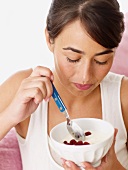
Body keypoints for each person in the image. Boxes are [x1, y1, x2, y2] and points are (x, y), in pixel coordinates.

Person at [0, 0, 127, 169]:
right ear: (49, 39)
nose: (85, 77)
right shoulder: (21, 89)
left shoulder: (123, 96)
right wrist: (9, 116)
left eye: (101, 60)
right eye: (72, 59)